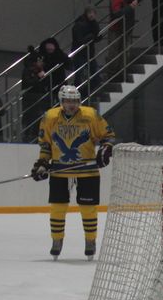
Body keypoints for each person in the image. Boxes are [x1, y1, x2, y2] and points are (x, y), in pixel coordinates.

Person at [31, 85, 115, 260]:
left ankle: (90, 241)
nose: (72, 105)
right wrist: (43, 163)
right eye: (68, 101)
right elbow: (45, 144)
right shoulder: (50, 117)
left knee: (88, 208)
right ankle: (56, 240)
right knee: (57, 207)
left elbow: (108, 136)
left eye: (75, 101)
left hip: (87, 169)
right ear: (61, 101)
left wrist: (105, 149)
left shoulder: (90, 115)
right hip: (60, 170)